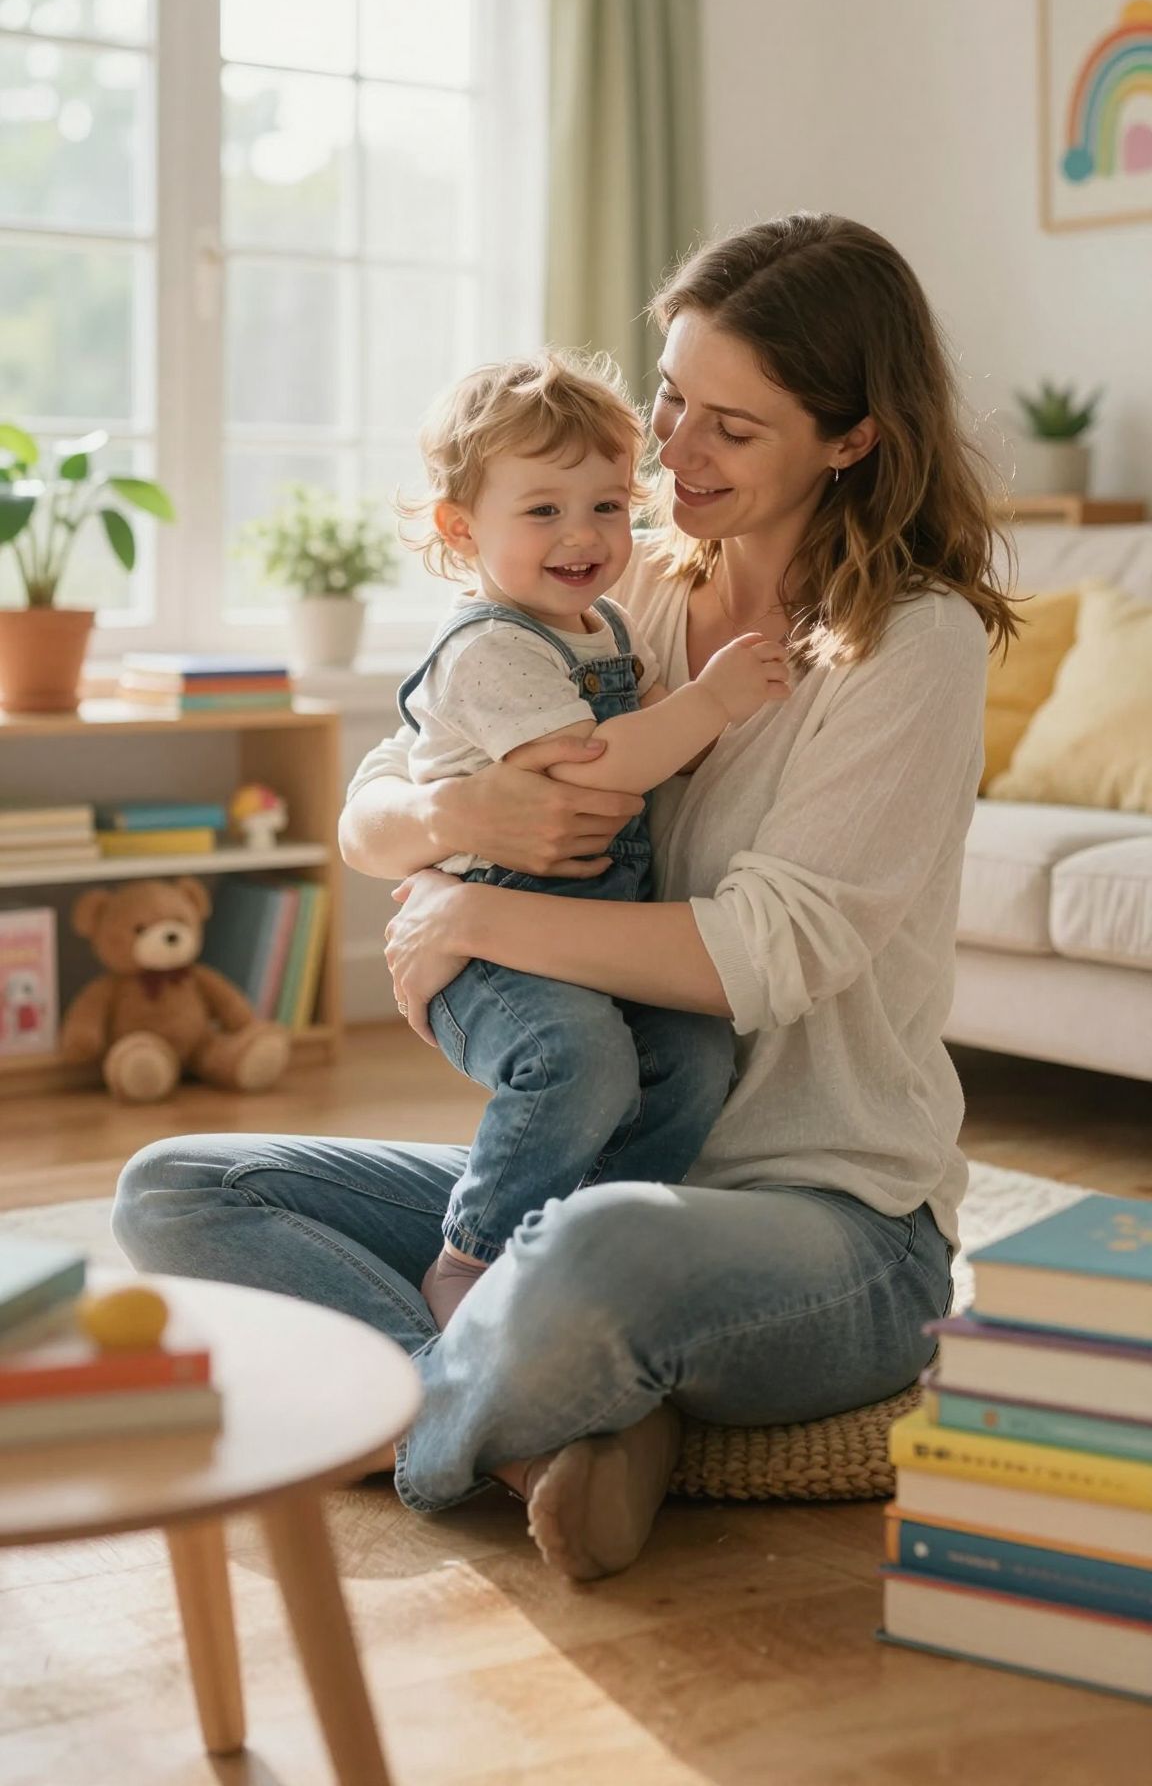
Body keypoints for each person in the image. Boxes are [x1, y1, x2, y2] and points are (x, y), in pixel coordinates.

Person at [112, 213, 1014, 1583]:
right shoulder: (622, 582)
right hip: (614, 1165)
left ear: (851, 438)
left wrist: (470, 916)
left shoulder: (912, 644)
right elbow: (373, 800)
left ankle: (424, 1427)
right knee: (179, 1188)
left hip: (829, 1220)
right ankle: (554, 1419)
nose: (672, 453)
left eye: (731, 426)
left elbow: (764, 954)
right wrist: (449, 819)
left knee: (592, 1255)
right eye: (671, 399)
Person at [392, 351, 787, 1328]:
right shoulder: (487, 648)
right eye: (544, 511)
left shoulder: (601, 621)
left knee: (692, 1056)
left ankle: (588, 1236)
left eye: (607, 505)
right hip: (492, 952)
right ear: (460, 528)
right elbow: (593, 767)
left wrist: (680, 717)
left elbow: (647, 734)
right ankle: (470, 1254)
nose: (585, 534)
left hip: (588, 934)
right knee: (581, 1059)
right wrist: (711, 702)